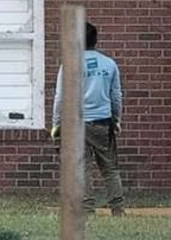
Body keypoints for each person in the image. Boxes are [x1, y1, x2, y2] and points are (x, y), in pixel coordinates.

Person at [50, 21, 130, 215]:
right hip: (102, 123)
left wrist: (56, 123)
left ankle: (87, 210)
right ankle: (118, 209)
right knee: (110, 168)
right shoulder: (109, 64)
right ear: (95, 40)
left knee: (82, 168)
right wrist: (116, 119)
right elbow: (116, 95)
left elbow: (60, 97)